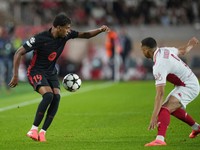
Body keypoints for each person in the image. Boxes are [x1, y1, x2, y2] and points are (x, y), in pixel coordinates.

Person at [8, 12, 110, 142]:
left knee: (56, 97)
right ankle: (33, 129)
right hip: (36, 71)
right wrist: (15, 75)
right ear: (58, 27)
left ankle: (43, 133)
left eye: (69, 28)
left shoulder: (66, 36)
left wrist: (100, 30)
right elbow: (18, 53)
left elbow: (85, 35)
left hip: (51, 72)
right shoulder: (40, 38)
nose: (68, 31)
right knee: (48, 95)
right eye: (66, 28)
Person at [141, 37, 200, 146]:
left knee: (164, 109)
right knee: (171, 108)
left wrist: (154, 116)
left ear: (146, 50)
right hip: (186, 82)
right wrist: (190, 44)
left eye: (142, 50)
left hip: (189, 86)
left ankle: (160, 140)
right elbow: (182, 51)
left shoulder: (159, 65)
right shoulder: (165, 50)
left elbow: (160, 94)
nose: (142, 52)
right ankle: (197, 128)